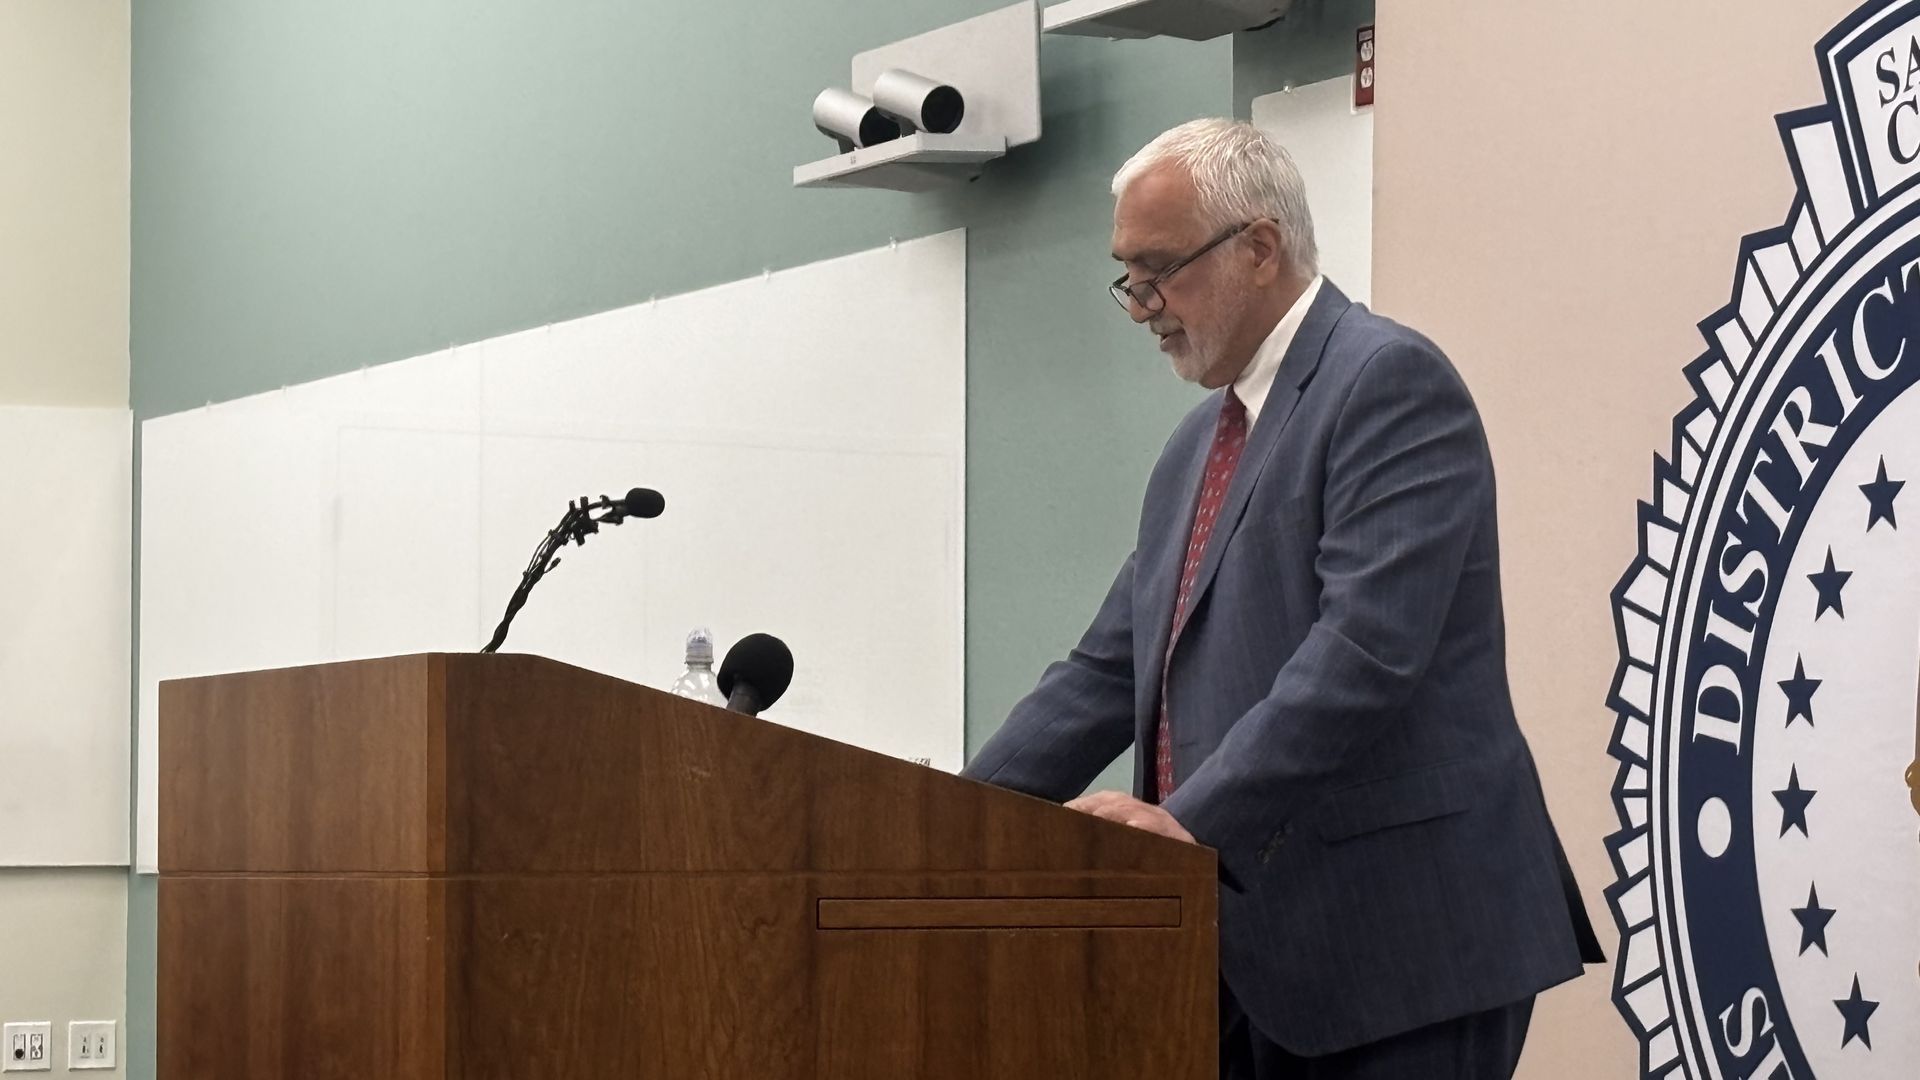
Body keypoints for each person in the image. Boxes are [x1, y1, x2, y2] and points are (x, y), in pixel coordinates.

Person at [959, 118, 1603, 1079]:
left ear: (1258, 248)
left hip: (1401, 944)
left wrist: (1188, 822)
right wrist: (950, 817)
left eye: (1158, 270)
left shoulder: (1388, 382)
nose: (1140, 306)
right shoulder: (1194, 448)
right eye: (1126, 278)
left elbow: (1365, 653)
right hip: (1241, 953)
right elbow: (1106, 668)